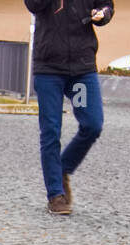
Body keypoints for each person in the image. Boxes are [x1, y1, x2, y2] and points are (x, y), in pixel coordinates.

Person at [25, 1, 114, 217]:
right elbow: (33, 5)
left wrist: (103, 14)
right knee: (51, 131)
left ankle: (63, 167)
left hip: (81, 70)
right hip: (49, 70)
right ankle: (56, 195)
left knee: (92, 124)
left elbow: (107, 6)